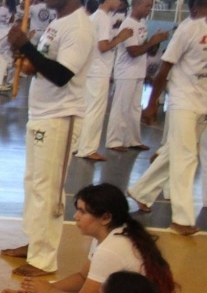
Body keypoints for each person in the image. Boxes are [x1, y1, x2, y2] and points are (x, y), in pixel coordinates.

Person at [1, 0, 96, 277]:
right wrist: (23, 55)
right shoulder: (56, 23)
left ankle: (44, 259)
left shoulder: (78, 27)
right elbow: (41, 66)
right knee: (33, 182)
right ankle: (35, 243)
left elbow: (62, 75)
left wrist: (28, 46)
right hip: (42, 112)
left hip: (61, 116)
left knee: (49, 187)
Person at [2, 183, 176, 293]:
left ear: (106, 218)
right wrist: (45, 288)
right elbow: (82, 277)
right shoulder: (111, 234)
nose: (76, 217)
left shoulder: (110, 249)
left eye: (82, 212)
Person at [127, 0, 207, 236]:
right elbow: (164, 68)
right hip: (183, 101)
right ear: (194, 9)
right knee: (186, 157)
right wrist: (151, 104)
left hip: (202, 101)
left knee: (175, 152)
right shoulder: (188, 28)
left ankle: (141, 191)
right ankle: (182, 218)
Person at [104, 0, 169, 153]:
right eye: (147, 6)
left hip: (138, 71)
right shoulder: (128, 24)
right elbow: (133, 51)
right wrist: (151, 42)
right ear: (136, 5)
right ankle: (114, 140)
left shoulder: (142, 24)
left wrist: (156, 41)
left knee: (134, 108)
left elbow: (145, 48)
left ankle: (132, 139)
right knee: (121, 107)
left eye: (150, 7)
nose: (149, 9)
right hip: (126, 72)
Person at [75, 0, 132, 161]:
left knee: (87, 110)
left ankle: (79, 145)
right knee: (95, 111)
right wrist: (121, 37)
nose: (120, 2)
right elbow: (104, 46)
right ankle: (87, 148)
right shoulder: (104, 18)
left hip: (91, 69)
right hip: (99, 70)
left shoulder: (94, 16)